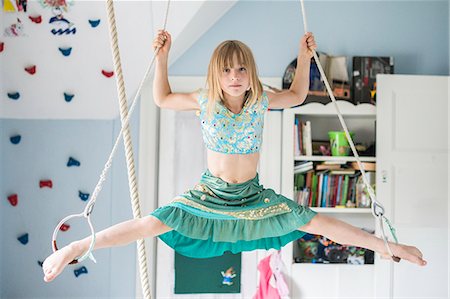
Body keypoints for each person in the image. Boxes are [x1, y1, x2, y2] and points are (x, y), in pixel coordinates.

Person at [42, 30, 427, 283]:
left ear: (250, 72)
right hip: (210, 195)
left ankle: (390, 247)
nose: (236, 76)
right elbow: (161, 98)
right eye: (228, 71)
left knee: (314, 221)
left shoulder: (260, 99)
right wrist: (162, 58)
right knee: (152, 223)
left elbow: (295, 95)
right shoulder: (205, 101)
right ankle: (78, 247)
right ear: (217, 74)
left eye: (242, 69)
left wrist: (303, 56)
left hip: (252, 196)